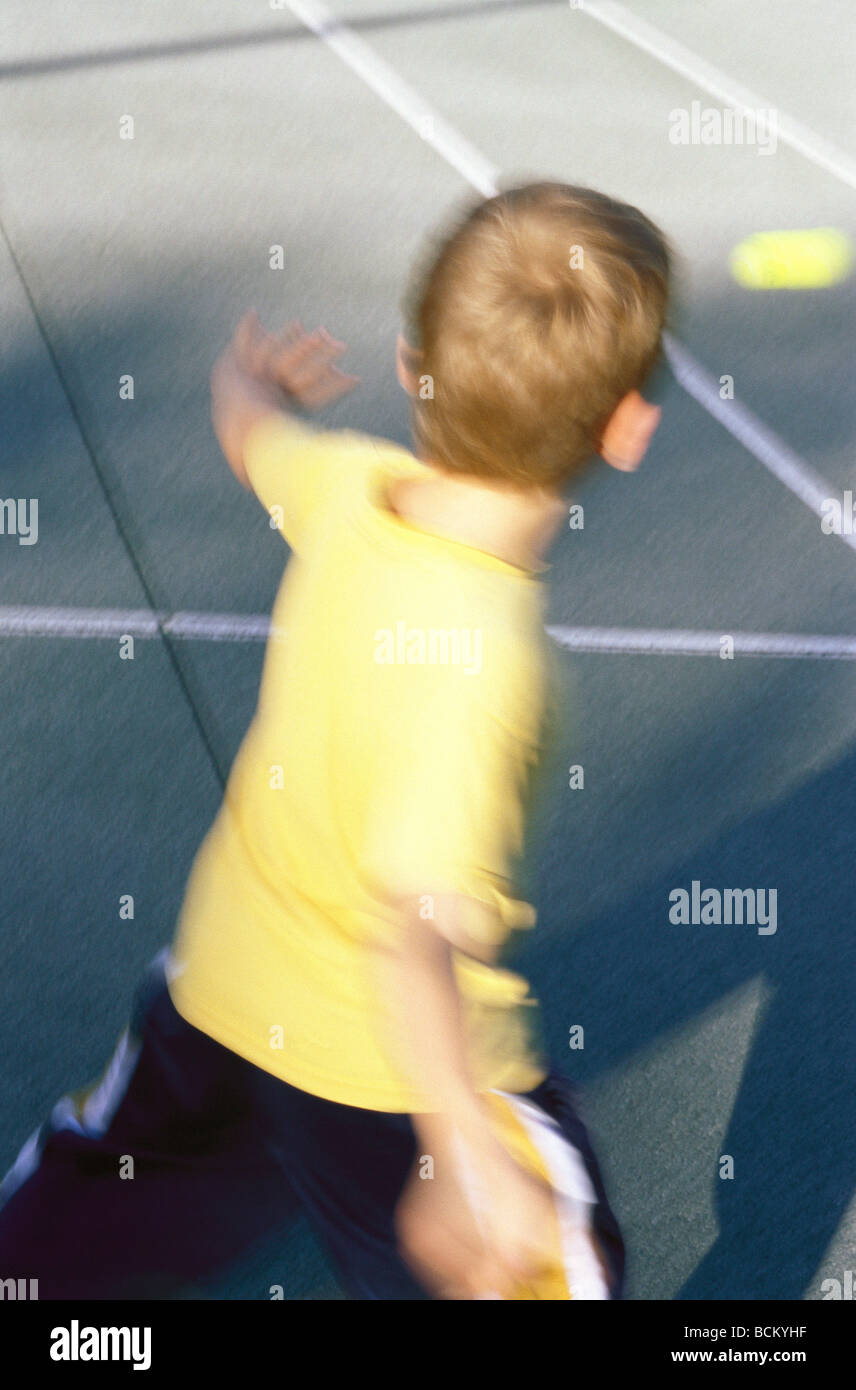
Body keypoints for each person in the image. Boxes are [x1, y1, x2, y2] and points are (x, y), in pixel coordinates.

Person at [0, 182, 670, 1300]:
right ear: (627, 425)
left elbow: (255, 433)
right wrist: (459, 1139)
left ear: (414, 366)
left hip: (221, 979)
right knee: (559, 1264)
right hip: (379, 1077)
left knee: (92, 1207)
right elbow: (411, 930)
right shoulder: (485, 659)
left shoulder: (355, 486)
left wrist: (245, 384)